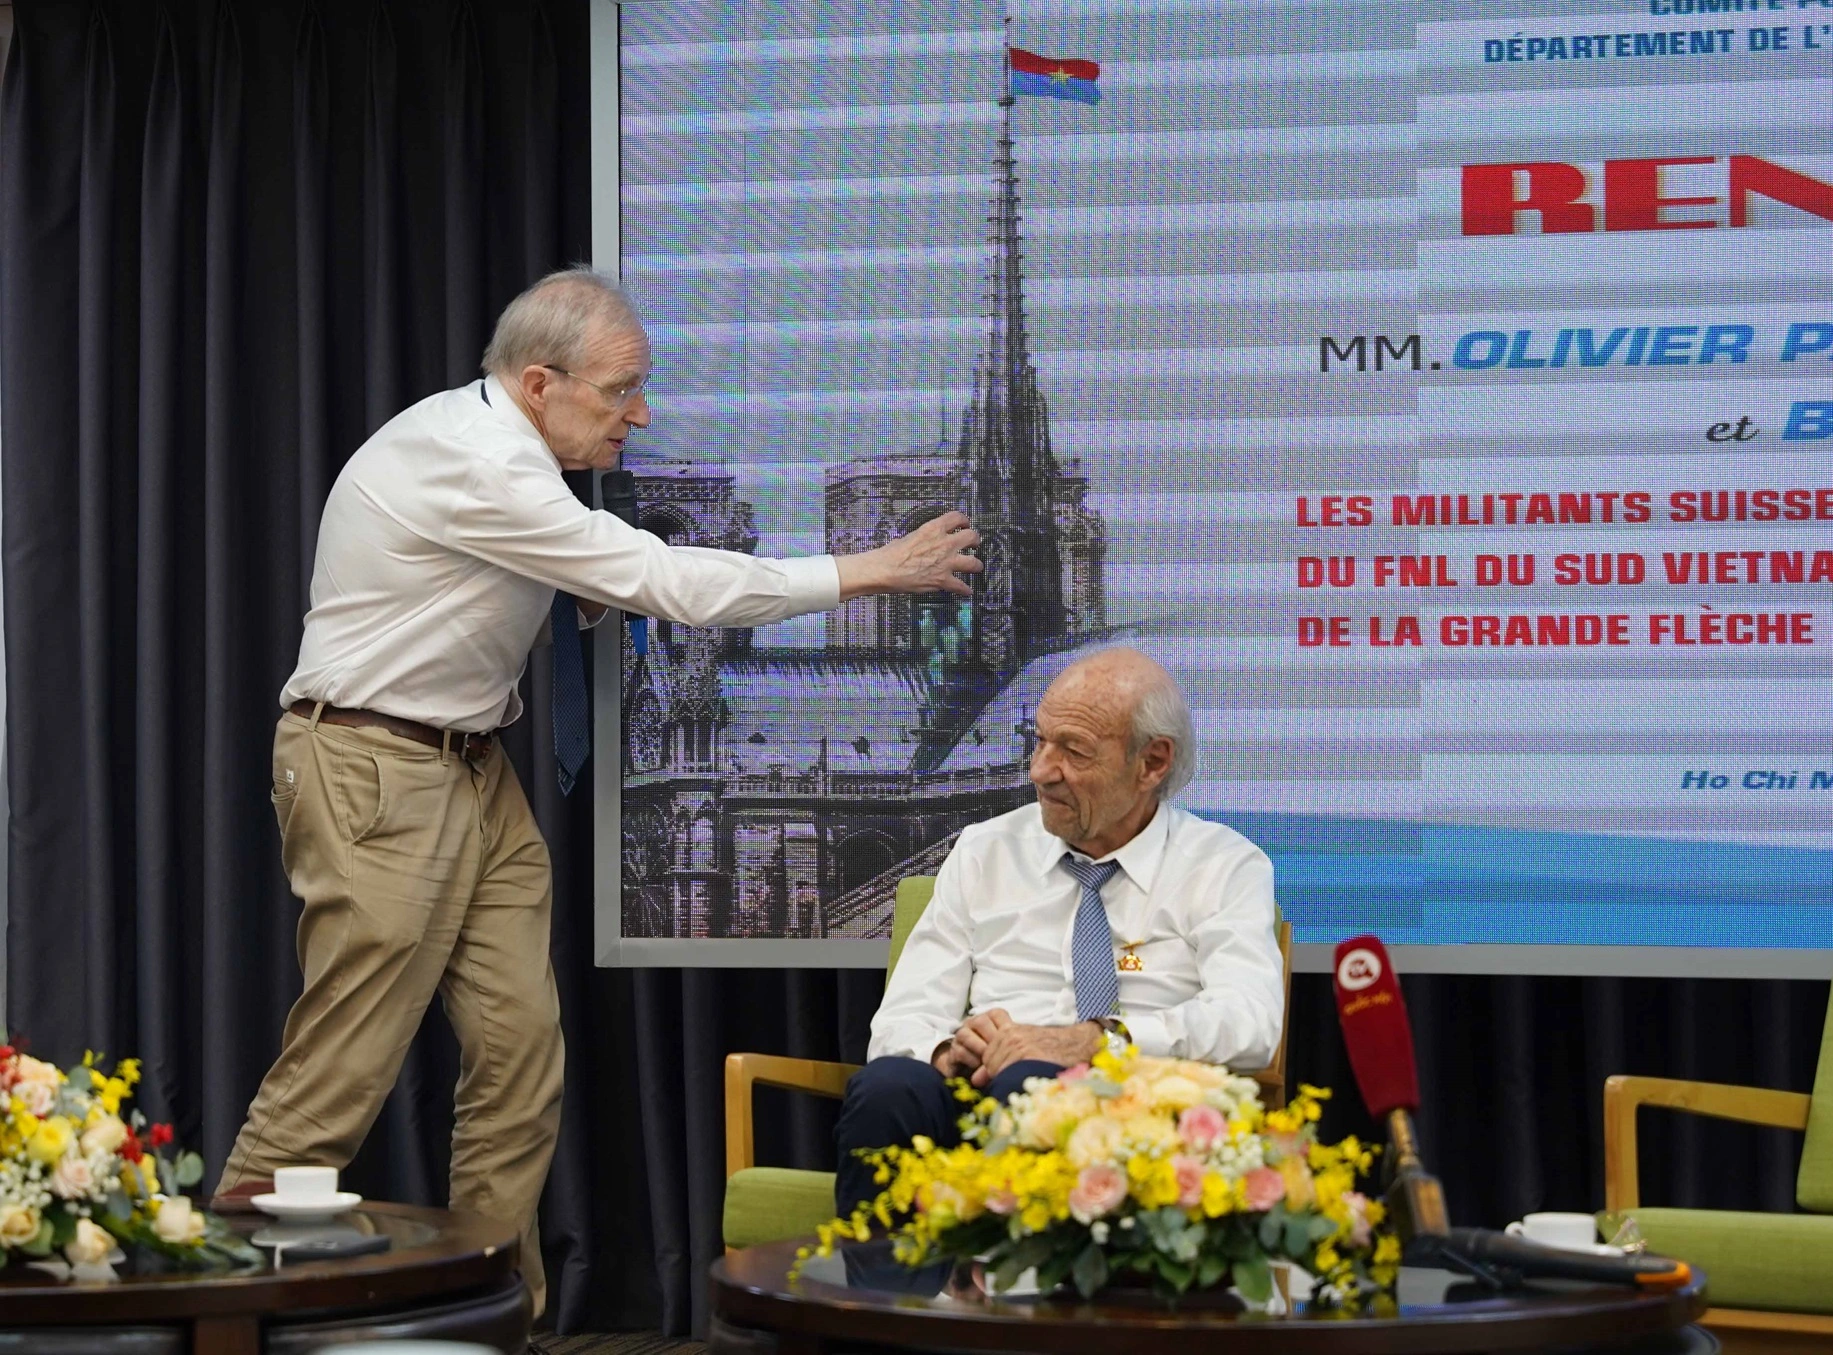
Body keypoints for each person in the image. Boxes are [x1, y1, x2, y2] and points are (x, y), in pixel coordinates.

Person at [214, 268, 982, 1314]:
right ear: (542, 382)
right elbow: (666, 580)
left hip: (472, 767)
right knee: (345, 1057)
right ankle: (208, 1306)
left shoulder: (504, 451)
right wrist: (865, 570)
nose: (641, 412)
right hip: (379, 765)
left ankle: (494, 1315)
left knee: (522, 1057)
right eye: (621, 389)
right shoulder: (482, 462)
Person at [833, 648, 1283, 1215]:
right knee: (887, 1091)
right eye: (1039, 740)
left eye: (1073, 751)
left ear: (1152, 763)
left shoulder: (1222, 865)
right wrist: (949, 1050)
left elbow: (1250, 1023)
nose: (1040, 771)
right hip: (977, 1091)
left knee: (1033, 1083)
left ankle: (1016, 1296)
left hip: (1133, 1110)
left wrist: (1098, 1042)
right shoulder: (984, 850)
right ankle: (876, 1299)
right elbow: (902, 1019)